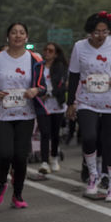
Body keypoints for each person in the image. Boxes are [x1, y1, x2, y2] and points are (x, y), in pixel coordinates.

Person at [0, 23, 47, 208]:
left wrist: (35, 90)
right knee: (4, 153)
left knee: (20, 157)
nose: (18, 35)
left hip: (25, 115)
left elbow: (43, 87)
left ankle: (17, 195)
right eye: (14, 32)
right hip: (0, 114)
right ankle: (2, 182)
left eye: (22, 33)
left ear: (26, 37)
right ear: (7, 36)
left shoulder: (35, 59)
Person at [67, 11, 111, 203]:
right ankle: (93, 176)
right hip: (87, 100)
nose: (101, 35)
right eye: (96, 32)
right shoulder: (79, 47)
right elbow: (74, 75)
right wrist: (70, 103)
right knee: (89, 137)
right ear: (89, 32)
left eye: (104, 31)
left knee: (108, 143)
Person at [37, 42, 68, 174]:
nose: (47, 53)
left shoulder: (60, 67)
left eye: (50, 51)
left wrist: (49, 94)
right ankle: (44, 162)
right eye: (45, 50)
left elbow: (62, 86)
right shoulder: (39, 67)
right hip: (42, 105)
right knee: (44, 133)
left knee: (55, 134)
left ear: (56, 54)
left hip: (56, 104)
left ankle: (54, 157)